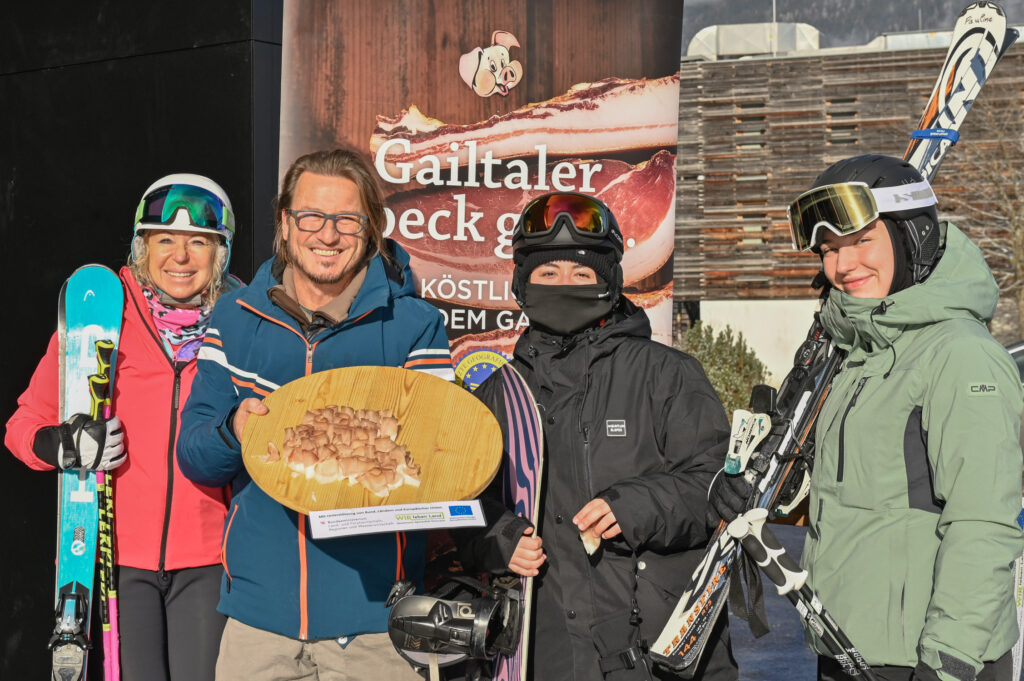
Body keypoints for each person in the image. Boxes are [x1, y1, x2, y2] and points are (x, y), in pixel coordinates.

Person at [710, 154, 1024, 681]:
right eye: (829, 250)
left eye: (861, 241)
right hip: (846, 646)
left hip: (931, 660)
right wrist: (753, 490)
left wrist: (947, 662)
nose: (842, 264)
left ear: (912, 238)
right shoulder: (856, 355)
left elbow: (982, 522)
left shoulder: (958, 354)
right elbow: (848, 492)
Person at [176, 147, 454, 681]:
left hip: (377, 627)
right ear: (285, 222)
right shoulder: (235, 320)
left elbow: (436, 461)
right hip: (259, 626)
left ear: (370, 227)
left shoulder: (413, 324)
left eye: (347, 220)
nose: (327, 236)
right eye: (311, 216)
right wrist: (234, 429)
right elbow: (194, 456)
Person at [457, 192, 738, 681]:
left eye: (581, 274)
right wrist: (499, 538)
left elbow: (719, 488)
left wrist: (635, 506)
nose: (564, 284)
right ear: (523, 284)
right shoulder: (498, 395)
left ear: (608, 282)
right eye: (548, 273)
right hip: (537, 648)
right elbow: (460, 505)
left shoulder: (666, 375)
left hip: (647, 646)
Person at [5, 173, 240, 681]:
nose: (181, 256)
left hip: (209, 556)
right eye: (165, 240)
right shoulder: (105, 317)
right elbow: (23, 426)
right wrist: (61, 442)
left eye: (199, 241)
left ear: (219, 253)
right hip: (118, 559)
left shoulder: (240, 324)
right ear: (142, 247)